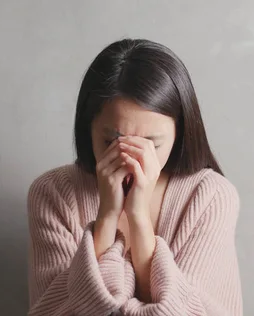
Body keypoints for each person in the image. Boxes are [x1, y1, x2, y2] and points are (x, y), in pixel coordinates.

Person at [26, 38, 242, 316]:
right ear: (87, 128)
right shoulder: (52, 193)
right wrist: (107, 216)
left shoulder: (211, 196)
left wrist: (138, 217)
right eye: (111, 142)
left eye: (152, 143)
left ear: (179, 134)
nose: (131, 159)